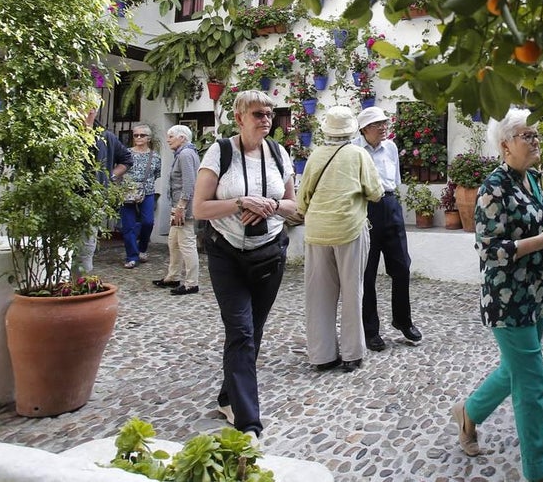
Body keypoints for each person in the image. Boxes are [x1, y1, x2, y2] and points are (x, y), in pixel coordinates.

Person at [451, 107, 543, 482]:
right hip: (508, 299)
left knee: (514, 370)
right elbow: (489, 250)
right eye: (527, 136)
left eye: (536, 135)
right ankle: (538, 472)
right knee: (531, 381)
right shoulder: (493, 187)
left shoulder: (532, 180)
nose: (535, 141)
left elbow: (536, 228)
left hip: (537, 292)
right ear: (506, 144)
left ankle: (469, 413)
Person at [193, 90, 297, 438]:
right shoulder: (220, 152)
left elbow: (293, 207)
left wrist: (268, 204)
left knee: (253, 330)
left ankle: (228, 396)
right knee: (240, 332)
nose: (266, 119)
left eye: (269, 113)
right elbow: (199, 209)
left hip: (268, 253)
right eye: (258, 114)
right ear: (239, 118)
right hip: (227, 254)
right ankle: (248, 421)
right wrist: (239, 202)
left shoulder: (280, 153)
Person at [297, 105, 383, 374]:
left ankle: (322, 355)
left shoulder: (315, 157)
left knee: (318, 295)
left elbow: (302, 199)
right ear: (352, 131)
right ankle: (351, 354)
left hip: (317, 232)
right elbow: (376, 192)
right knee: (352, 292)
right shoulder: (358, 155)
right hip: (349, 229)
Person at [355, 106, 421, 352]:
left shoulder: (391, 147)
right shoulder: (355, 151)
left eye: (385, 123)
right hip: (365, 208)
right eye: (377, 124)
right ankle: (370, 330)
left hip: (391, 206)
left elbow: (395, 179)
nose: (383, 128)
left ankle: (403, 320)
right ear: (364, 129)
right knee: (368, 272)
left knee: (402, 266)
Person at [73, 96, 133, 280]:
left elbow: (126, 160)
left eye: (84, 107)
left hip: (93, 197)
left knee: (86, 244)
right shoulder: (66, 133)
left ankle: (80, 282)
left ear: (93, 110)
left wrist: (109, 176)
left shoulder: (106, 136)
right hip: (66, 194)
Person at [154, 124, 199, 294]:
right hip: (178, 206)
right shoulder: (185, 153)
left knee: (186, 243)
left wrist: (181, 206)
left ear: (182, 138)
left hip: (183, 207)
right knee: (173, 242)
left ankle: (191, 283)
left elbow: (189, 183)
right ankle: (172, 277)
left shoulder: (186, 154)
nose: (168, 139)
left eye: (171, 136)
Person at [120, 123, 161, 268]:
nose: (138, 137)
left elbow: (157, 174)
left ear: (148, 138)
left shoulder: (155, 156)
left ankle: (142, 248)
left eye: (142, 135)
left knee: (148, 222)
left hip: (147, 191)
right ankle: (132, 256)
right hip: (127, 192)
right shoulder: (126, 153)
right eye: (136, 135)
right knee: (128, 225)